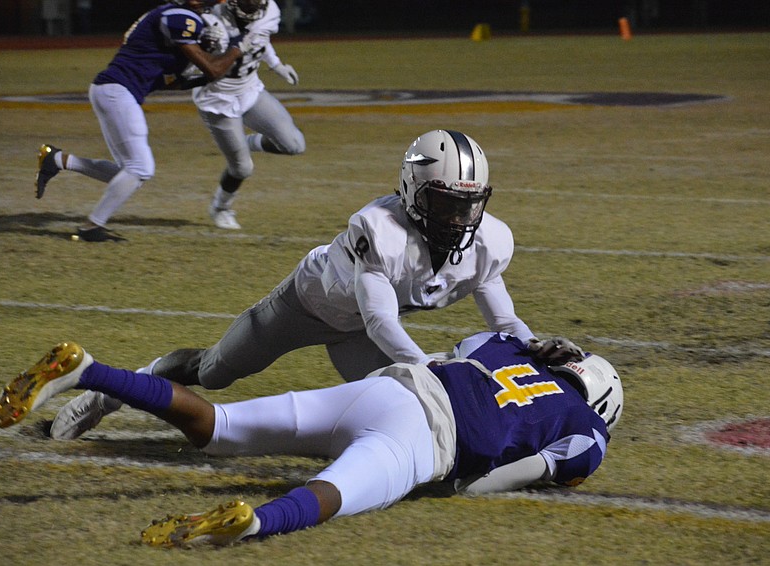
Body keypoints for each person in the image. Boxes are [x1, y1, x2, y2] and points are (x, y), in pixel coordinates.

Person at [49, 129, 586, 439]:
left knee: (402, 404)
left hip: (362, 334)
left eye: (468, 203)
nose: (457, 216)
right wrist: (430, 364)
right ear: (412, 189)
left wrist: (533, 346)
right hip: (305, 307)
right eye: (445, 202)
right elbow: (379, 317)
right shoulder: (380, 229)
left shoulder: (489, 241)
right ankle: (109, 393)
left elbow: (504, 319)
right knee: (213, 374)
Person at [0, 331, 623, 546]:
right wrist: (457, 482)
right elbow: (499, 478)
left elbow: (456, 352)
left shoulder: (509, 349)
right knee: (332, 492)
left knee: (219, 425)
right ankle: (254, 524)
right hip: (428, 440)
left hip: (388, 388)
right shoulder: (589, 430)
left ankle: (86, 370)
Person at [33, 0, 259, 242]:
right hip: (118, 90)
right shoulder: (182, 16)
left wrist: (203, 75)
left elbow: (170, 81)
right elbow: (213, 69)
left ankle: (56, 159)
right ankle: (91, 227)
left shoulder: (175, 22)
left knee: (127, 173)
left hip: (112, 90)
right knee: (140, 168)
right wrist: (237, 49)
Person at [194, 0, 305, 230]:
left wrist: (277, 65)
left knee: (294, 144)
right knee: (242, 168)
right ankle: (220, 208)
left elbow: (260, 38)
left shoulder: (270, 9)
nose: (253, 6)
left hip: (249, 89)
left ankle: (248, 143)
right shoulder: (211, 20)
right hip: (218, 99)